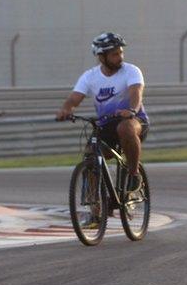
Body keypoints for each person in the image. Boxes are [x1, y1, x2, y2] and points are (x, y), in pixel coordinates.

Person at [56, 32, 149, 194]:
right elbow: (74, 99)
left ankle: (134, 174)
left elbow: (136, 93)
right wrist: (66, 109)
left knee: (125, 128)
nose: (120, 57)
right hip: (106, 125)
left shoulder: (131, 71)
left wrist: (131, 110)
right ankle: (96, 208)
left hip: (134, 121)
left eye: (121, 52)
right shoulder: (90, 77)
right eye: (115, 54)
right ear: (102, 56)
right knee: (90, 157)